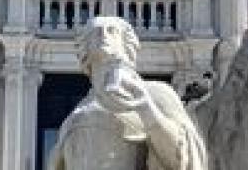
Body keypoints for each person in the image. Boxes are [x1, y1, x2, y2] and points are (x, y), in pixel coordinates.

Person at [49, 17, 209, 170]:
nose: (104, 35)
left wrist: (146, 109)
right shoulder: (74, 116)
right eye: (97, 32)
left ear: (126, 44)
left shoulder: (154, 94)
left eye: (112, 31)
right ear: (84, 48)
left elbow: (185, 158)